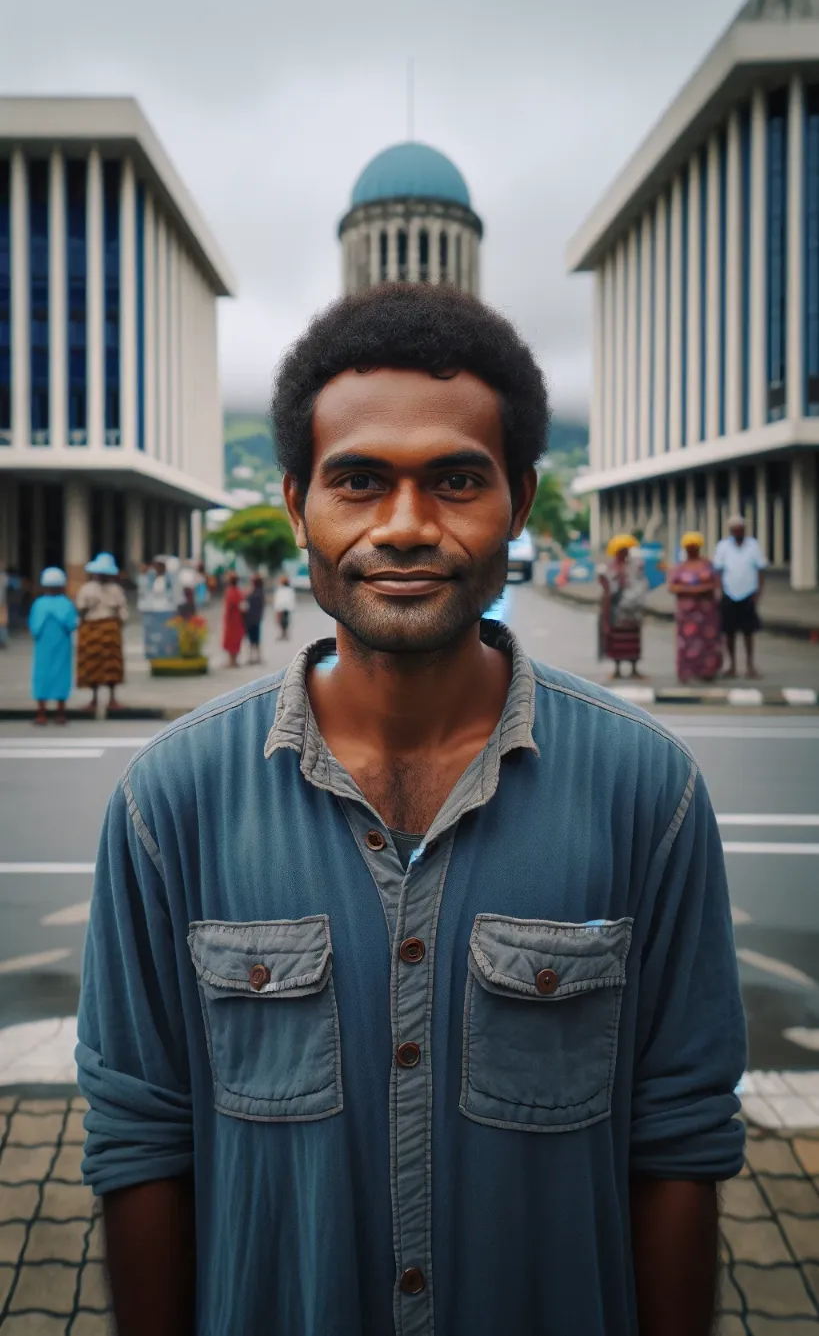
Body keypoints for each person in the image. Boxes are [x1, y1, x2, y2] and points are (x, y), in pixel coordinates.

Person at [77, 285, 745, 1336]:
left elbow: (678, 1144)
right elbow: (143, 1143)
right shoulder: (170, 803)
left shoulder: (646, 795)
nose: (403, 525)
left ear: (519, 502)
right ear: (298, 501)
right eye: (358, 480)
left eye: (454, 479)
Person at [713, 515, 767, 679]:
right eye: (735, 530)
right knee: (729, 632)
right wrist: (719, 591)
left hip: (748, 594)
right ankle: (732, 665)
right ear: (731, 531)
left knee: (748, 631)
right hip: (729, 594)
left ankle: (750, 665)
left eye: (741, 529)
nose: (738, 532)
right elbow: (718, 570)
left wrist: (758, 592)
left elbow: (760, 569)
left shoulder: (753, 545)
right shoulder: (723, 546)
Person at [666, 532, 723, 684]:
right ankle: (686, 672)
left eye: (695, 547)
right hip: (687, 614)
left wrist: (691, 589)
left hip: (707, 612)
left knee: (708, 641)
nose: (692, 550)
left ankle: (707, 671)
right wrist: (695, 590)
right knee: (687, 642)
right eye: (689, 547)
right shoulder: (680, 568)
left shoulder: (707, 565)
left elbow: (716, 584)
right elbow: (671, 587)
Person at [76, 553, 129, 714]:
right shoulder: (87, 589)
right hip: (93, 627)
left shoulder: (115, 590)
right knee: (92, 664)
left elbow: (122, 612)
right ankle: (94, 698)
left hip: (109, 627)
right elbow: (80, 609)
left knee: (112, 665)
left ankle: (112, 698)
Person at [28, 567, 78, 725]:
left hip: (43, 647)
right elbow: (72, 624)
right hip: (62, 646)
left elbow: (33, 626)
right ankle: (60, 714)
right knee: (61, 676)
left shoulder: (39, 603)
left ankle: (41, 714)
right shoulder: (66, 603)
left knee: (42, 676)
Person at [597, 533, 649, 679]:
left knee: (632, 639)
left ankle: (634, 668)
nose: (625, 553)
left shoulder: (633, 567)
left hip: (632, 611)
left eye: (627, 550)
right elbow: (606, 590)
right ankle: (617, 669)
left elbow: (641, 584)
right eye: (623, 551)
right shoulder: (609, 568)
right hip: (616, 611)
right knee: (617, 640)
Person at [221, 571, 245, 667]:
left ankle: (231, 661)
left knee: (231, 639)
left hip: (231, 620)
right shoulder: (238, 592)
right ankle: (233, 661)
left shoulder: (230, 592)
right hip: (237, 619)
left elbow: (230, 606)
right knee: (235, 640)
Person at [243, 575, 266, 663]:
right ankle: (257, 657)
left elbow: (247, 603)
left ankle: (253, 657)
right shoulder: (260, 592)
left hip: (251, 619)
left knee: (252, 639)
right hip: (256, 619)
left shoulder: (254, 593)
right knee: (256, 639)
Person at [272, 572, 295, 640]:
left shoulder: (283, 589)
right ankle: (284, 633)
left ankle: (284, 633)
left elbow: (279, 599)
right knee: (283, 622)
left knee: (284, 622)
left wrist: (277, 608)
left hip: (283, 608)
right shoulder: (286, 589)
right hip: (284, 608)